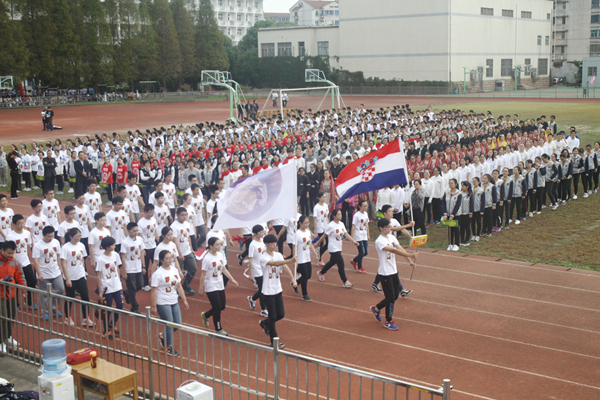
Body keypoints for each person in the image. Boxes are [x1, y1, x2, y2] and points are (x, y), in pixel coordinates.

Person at [369, 218, 417, 330]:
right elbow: (393, 250)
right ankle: (388, 321)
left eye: (390, 227)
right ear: (381, 228)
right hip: (385, 273)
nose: (389, 229)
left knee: (395, 296)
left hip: (393, 271)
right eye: (386, 227)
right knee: (390, 297)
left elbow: (400, 248)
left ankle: (376, 308)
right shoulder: (379, 241)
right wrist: (411, 255)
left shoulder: (392, 237)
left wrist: (410, 261)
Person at [258, 234, 297, 349]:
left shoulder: (278, 254)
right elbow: (275, 264)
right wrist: (291, 260)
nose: (274, 246)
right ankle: (274, 340)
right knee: (273, 316)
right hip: (268, 291)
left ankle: (264, 323)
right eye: (271, 244)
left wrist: (293, 279)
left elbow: (284, 266)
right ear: (266, 244)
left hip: (277, 289)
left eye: (275, 243)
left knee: (281, 314)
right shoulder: (263, 257)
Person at [151, 250, 189, 356]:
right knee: (169, 323)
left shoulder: (174, 270)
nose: (169, 260)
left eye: (171, 258)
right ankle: (169, 346)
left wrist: (184, 299)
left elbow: (179, 286)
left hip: (174, 300)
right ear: (162, 260)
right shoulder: (158, 274)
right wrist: (154, 306)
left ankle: (163, 335)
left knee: (177, 324)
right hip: (162, 302)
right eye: (167, 258)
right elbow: (153, 290)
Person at [199, 237, 239, 336]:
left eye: (219, 244)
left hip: (219, 283)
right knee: (217, 307)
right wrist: (201, 287)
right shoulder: (207, 258)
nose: (219, 246)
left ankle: (206, 315)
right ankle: (218, 328)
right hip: (210, 285)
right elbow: (203, 274)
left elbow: (224, 269)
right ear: (211, 246)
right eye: (216, 245)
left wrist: (232, 279)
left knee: (222, 306)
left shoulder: (221, 255)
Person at [315, 208, 359, 288]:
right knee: (341, 263)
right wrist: (317, 244)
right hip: (333, 248)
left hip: (339, 247)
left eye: (341, 214)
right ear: (334, 216)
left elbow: (346, 234)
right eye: (338, 214)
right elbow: (323, 236)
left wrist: (353, 241)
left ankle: (322, 272)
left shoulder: (341, 224)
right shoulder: (331, 225)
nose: (340, 216)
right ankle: (345, 281)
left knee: (332, 262)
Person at [60, 228, 93, 327]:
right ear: (70, 237)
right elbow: (63, 264)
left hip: (80, 275)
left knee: (85, 297)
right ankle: (67, 317)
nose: (78, 238)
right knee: (69, 297)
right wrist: (67, 278)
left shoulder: (81, 245)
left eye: (79, 236)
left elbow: (82, 259)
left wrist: (82, 271)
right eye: (76, 237)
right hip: (70, 277)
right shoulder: (66, 247)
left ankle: (86, 318)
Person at [31, 226, 65, 319]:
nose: (50, 238)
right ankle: (45, 312)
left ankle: (53, 307)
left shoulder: (56, 242)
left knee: (60, 289)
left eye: (52, 236)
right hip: (44, 273)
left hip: (55, 271)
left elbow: (58, 255)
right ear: (43, 235)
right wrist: (39, 273)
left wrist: (60, 267)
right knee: (44, 293)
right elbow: (36, 261)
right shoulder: (38, 246)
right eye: (48, 237)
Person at [95, 236, 123, 340]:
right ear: (107, 247)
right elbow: (98, 275)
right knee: (107, 309)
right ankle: (106, 330)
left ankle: (112, 323)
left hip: (116, 285)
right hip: (106, 286)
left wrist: (119, 280)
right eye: (112, 245)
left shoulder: (115, 255)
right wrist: (100, 291)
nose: (114, 246)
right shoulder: (101, 259)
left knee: (120, 306)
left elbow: (117, 268)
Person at [0, 240, 24, 352]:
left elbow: (19, 275)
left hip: (12, 293)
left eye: (12, 253)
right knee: (2, 318)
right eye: (8, 253)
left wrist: (23, 290)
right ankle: (1, 342)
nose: (10, 255)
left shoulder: (14, 261)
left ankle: (9, 336)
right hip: (0, 294)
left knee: (11, 315)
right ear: (2, 250)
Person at [8, 215, 36, 309]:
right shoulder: (10, 236)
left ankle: (28, 301)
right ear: (14, 224)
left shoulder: (27, 233)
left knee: (31, 281)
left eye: (23, 223)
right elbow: (10, 251)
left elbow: (28, 246)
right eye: (19, 223)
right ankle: (15, 303)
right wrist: (16, 261)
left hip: (26, 262)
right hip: (14, 263)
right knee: (15, 283)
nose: (22, 225)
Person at [171, 207, 196, 295]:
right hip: (178, 253)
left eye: (185, 215)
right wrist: (180, 254)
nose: (184, 217)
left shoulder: (187, 224)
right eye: (182, 215)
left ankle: (186, 285)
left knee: (193, 269)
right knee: (178, 273)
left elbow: (188, 237)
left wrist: (191, 248)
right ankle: (176, 290)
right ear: (177, 215)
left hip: (187, 251)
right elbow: (175, 241)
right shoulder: (174, 226)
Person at [120, 222, 145, 313]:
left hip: (138, 267)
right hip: (129, 268)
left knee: (140, 285)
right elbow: (123, 257)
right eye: (133, 231)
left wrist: (143, 266)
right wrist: (124, 271)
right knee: (132, 289)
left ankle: (126, 293)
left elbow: (142, 252)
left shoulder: (139, 240)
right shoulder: (125, 242)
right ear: (128, 231)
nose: (135, 233)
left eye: (136, 231)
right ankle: (135, 307)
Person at [294, 215, 318, 301]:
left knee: (308, 276)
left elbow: (310, 244)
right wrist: (295, 259)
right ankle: (304, 294)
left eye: (308, 223)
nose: (307, 225)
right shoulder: (297, 234)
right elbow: (294, 247)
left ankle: (295, 283)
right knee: (305, 275)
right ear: (300, 223)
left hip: (307, 257)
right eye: (305, 223)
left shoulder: (308, 232)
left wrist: (315, 253)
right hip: (300, 258)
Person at [246, 224, 268, 316]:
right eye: (260, 232)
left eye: (263, 231)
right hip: (256, 268)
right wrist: (250, 273)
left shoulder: (263, 241)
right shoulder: (252, 245)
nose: (262, 233)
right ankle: (263, 309)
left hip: (264, 267)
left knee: (264, 287)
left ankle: (252, 299)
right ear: (255, 234)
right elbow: (250, 259)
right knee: (262, 289)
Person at [138, 204, 159, 291]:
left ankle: (154, 280)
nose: (152, 214)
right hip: (146, 247)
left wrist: (159, 242)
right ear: (145, 212)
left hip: (153, 246)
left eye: (153, 212)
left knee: (156, 264)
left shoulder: (153, 220)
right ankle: (145, 283)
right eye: (150, 212)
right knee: (145, 266)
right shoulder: (141, 223)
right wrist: (142, 249)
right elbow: (140, 236)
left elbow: (155, 232)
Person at [350, 199, 369, 274]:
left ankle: (354, 260)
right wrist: (352, 237)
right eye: (364, 206)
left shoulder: (366, 214)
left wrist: (368, 234)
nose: (365, 207)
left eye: (366, 206)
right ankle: (360, 267)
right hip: (358, 235)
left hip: (364, 235)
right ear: (360, 206)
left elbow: (367, 225)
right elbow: (353, 226)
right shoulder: (356, 215)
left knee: (366, 252)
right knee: (361, 251)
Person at [312, 192, 329, 266]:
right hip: (319, 227)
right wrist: (316, 231)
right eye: (323, 197)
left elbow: (326, 217)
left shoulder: (325, 206)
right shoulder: (316, 207)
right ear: (319, 198)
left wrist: (329, 226)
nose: (324, 198)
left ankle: (319, 254)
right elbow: (315, 220)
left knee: (328, 242)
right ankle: (319, 259)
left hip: (326, 226)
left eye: (325, 197)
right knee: (321, 243)